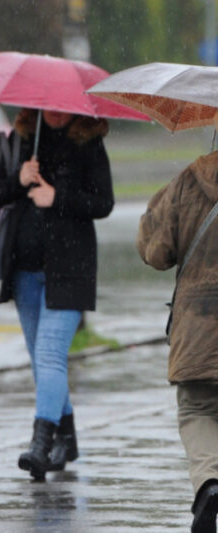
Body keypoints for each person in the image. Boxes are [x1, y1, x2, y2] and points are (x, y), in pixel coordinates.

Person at [0, 108, 113, 481]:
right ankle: (66, 439)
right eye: (48, 108)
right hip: (24, 273)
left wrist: (57, 196)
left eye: (62, 109)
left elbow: (103, 203)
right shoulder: (21, 140)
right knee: (41, 361)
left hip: (71, 271)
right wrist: (18, 179)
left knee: (49, 355)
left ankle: (41, 445)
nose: (55, 114)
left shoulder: (89, 144)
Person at [137, 152, 218, 533]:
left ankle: (209, 484)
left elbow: (156, 252)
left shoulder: (189, 180)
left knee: (197, 410)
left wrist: (155, 211)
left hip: (198, 325)